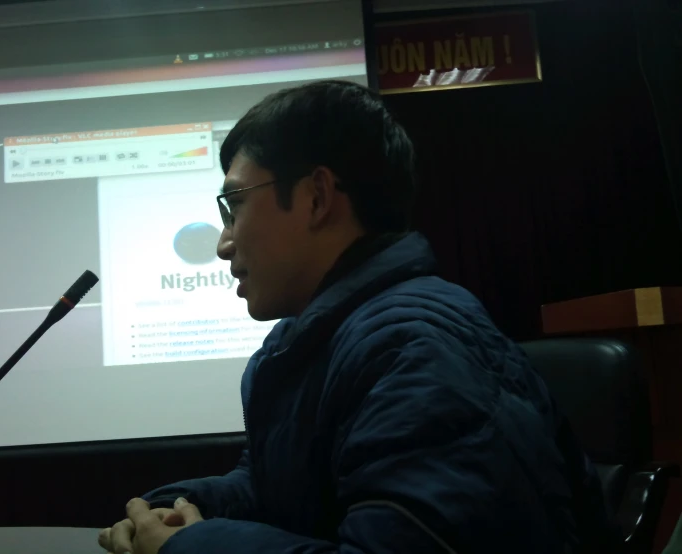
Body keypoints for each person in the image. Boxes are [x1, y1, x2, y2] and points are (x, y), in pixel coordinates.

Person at [98, 80, 617, 554]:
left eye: (235, 204)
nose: (223, 243)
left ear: (318, 197)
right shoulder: (312, 341)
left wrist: (191, 547)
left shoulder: (412, 349)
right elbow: (273, 486)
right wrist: (177, 508)